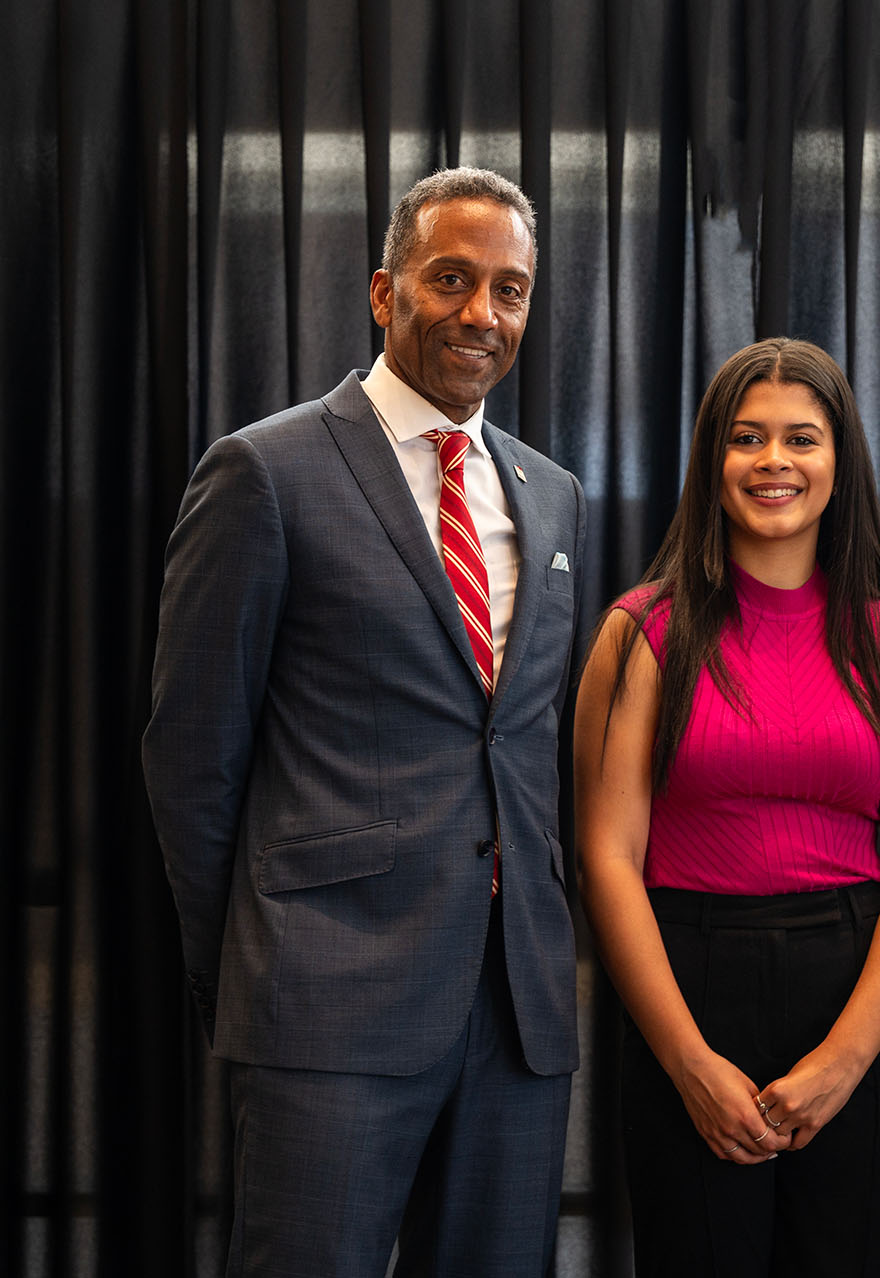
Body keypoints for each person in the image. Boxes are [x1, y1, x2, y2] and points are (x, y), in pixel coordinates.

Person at [144, 168, 586, 1274]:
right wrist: (252, 964)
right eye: (452, 279)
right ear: (385, 292)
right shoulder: (265, 473)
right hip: (324, 1002)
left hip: (517, 1012)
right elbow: (192, 762)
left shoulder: (553, 494)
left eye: (511, 290)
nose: (483, 313)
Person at [573, 337, 880, 1277]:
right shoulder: (641, 632)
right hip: (686, 987)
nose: (774, 462)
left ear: (840, 464)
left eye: (802, 439)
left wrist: (845, 1062)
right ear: (714, 461)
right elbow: (608, 857)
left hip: (855, 991)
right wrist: (689, 1065)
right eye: (747, 439)